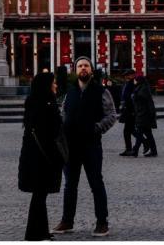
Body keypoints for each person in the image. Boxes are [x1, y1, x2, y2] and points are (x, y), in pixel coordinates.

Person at [51, 57, 117, 237]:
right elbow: (64, 113)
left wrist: (97, 128)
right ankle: (67, 221)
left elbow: (111, 115)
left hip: (91, 145)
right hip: (71, 146)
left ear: (91, 70)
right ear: (75, 70)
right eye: (80, 66)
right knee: (70, 185)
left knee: (96, 184)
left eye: (86, 65)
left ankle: (102, 222)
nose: (83, 68)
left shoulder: (101, 91)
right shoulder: (70, 92)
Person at [18, 72, 65, 241]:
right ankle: (33, 234)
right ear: (46, 85)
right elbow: (48, 133)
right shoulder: (44, 105)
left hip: (37, 157)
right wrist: (56, 157)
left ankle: (41, 231)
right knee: (39, 196)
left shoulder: (37, 102)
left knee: (40, 196)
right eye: (53, 83)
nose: (56, 85)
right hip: (42, 158)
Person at [130, 74, 157, 157]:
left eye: (136, 80)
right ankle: (153, 151)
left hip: (143, 114)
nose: (134, 81)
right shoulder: (140, 87)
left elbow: (144, 100)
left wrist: (134, 96)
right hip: (142, 114)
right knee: (148, 134)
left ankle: (135, 150)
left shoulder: (143, 89)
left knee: (140, 133)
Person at [117, 70, 136, 156]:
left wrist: (132, 111)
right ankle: (130, 148)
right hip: (127, 109)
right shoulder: (127, 84)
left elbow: (131, 98)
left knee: (127, 130)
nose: (126, 77)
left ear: (132, 75)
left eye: (128, 75)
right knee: (130, 130)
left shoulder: (132, 84)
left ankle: (129, 149)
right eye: (125, 75)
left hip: (130, 110)